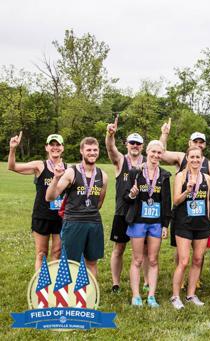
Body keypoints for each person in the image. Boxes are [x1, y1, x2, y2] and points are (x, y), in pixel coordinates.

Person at [46, 137, 108, 277]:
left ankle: (89, 296)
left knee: (92, 262)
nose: (92, 153)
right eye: (88, 150)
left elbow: (99, 203)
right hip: (73, 223)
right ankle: (67, 296)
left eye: (95, 150)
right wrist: (56, 178)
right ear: (81, 151)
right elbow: (50, 197)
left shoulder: (103, 176)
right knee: (69, 263)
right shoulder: (71, 172)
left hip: (94, 223)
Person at [8, 132, 66, 270]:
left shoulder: (68, 168)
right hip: (42, 216)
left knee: (57, 253)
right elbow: (12, 167)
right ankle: (41, 288)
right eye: (52, 145)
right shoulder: (39, 165)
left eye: (58, 145)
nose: (55, 147)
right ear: (46, 147)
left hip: (60, 217)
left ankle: (53, 287)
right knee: (41, 253)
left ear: (62, 148)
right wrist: (12, 149)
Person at [124, 140, 171, 308]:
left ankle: (151, 296)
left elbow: (166, 202)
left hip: (156, 223)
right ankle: (136, 296)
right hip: (138, 221)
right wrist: (132, 194)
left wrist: (165, 225)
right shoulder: (135, 173)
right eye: (153, 152)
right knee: (137, 260)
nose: (156, 156)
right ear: (148, 152)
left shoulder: (164, 175)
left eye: (159, 153)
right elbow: (125, 198)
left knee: (152, 260)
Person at [105, 115, 149, 294]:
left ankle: (146, 282)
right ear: (127, 144)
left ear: (142, 146)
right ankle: (116, 283)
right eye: (132, 142)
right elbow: (110, 148)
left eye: (138, 143)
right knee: (119, 248)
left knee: (145, 250)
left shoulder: (148, 162)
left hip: (143, 211)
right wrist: (110, 135)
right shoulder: (121, 160)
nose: (135, 146)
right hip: (122, 211)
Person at [171, 146, 210, 309]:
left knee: (197, 260)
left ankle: (190, 294)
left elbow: (207, 202)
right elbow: (175, 201)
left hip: (201, 224)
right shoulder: (181, 176)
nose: (195, 160)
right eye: (192, 157)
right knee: (184, 261)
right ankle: (175, 296)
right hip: (184, 224)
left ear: (202, 159)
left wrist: (209, 224)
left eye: (198, 157)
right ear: (187, 158)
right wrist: (187, 191)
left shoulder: (207, 178)